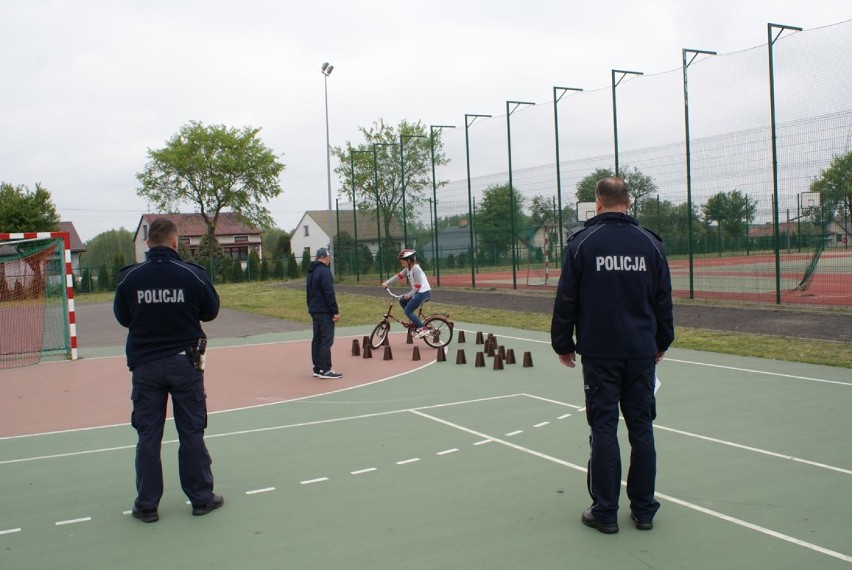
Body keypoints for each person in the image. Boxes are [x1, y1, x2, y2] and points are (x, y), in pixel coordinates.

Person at [550, 176, 674, 534]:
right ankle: (644, 508)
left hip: (600, 352)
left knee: (603, 427)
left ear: (598, 203)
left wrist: (563, 343)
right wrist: (662, 341)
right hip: (640, 352)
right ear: (629, 202)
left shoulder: (582, 243)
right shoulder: (650, 244)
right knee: (641, 428)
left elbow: (567, 298)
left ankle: (605, 511)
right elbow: (662, 299)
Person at [113, 218, 223, 523]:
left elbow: (123, 316)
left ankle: (147, 505)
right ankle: (201, 498)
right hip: (184, 362)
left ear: (148, 244)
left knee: (148, 435)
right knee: (191, 431)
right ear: (176, 243)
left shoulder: (129, 278)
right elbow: (211, 310)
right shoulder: (192, 275)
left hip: (145, 366)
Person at [306, 247, 341, 379]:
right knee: (326, 340)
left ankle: (317, 368)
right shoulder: (325, 272)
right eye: (328, 258)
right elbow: (329, 292)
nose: (329, 260)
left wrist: (310, 307)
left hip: (314, 310)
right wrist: (335, 311)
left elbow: (308, 293)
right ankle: (326, 369)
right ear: (325, 257)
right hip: (324, 310)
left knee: (317, 339)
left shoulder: (311, 272)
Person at [382, 249, 432, 338]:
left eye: (403, 262)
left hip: (423, 293)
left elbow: (417, 286)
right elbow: (398, 276)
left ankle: (423, 329)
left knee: (407, 311)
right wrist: (387, 282)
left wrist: (409, 294)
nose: (402, 264)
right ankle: (414, 321)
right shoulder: (408, 269)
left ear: (409, 260)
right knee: (402, 300)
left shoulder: (416, 269)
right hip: (418, 292)